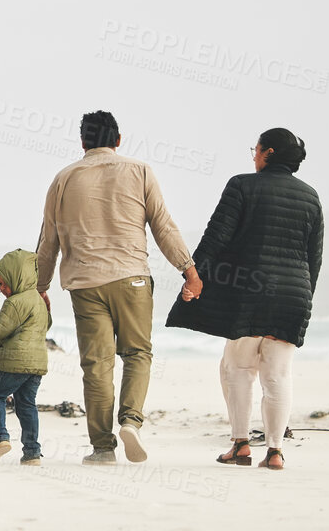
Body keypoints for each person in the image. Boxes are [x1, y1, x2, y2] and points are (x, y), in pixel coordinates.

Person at [36, 110, 204, 465]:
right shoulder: (139, 171)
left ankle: (102, 447)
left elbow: (48, 240)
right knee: (137, 354)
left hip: (85, 284)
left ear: (83, 142)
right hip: (132, 279)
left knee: (96, 365)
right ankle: (131, 421)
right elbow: (163, 225)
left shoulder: (63, 179)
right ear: (118, 140)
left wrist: (40, 285)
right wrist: (188, 269)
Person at [166, 128, 323, 471]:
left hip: (250, 293)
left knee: (236, 367)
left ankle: (240, 445)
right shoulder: (311, 197)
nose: (253, 155)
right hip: (293, 297)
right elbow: (314, 259)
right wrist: (303, 301)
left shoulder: (241, 185)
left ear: (267, 153)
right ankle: (276, 451)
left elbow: (216, 235)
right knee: (278, 375)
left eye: (256, 149)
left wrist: (193, 276)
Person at [0, 250, 51, 465]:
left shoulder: (15, 302)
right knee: (26, 405)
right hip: (37, 364)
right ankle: (32, 452)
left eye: (4, 284)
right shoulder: (38, 299)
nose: (2, 290)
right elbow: (46, 326)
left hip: (16, 362)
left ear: (17, 277)